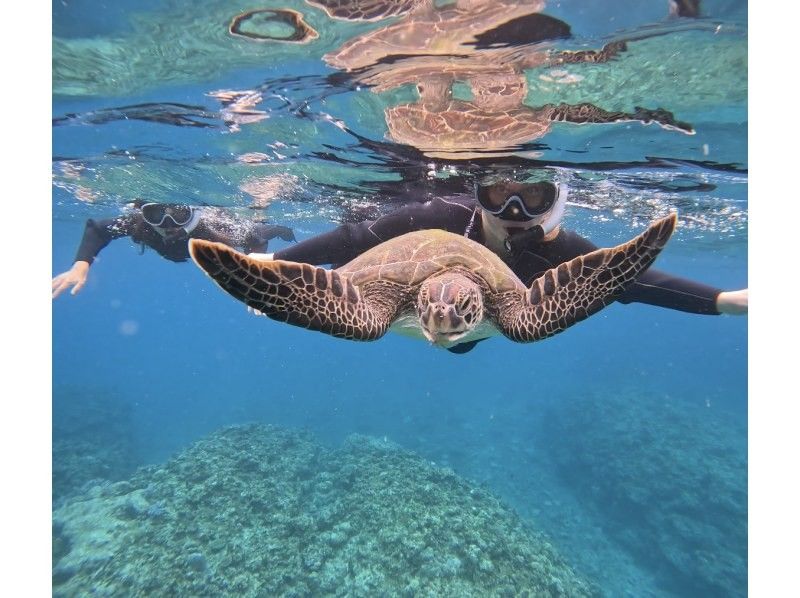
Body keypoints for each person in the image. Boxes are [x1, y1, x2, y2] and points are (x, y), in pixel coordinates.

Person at [247, 171, 747, 353]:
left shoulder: (559, 247)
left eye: (533, 196)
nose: (513, 210)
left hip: (482, 318)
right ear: (478, 195)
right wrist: (272, 270)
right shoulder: (443, 214)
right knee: (471, 336)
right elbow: (350, 240)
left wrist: (725, 300)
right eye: (498, 193)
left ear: (556, 200)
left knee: (469, 342)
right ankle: (458, 332)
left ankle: (463, 336)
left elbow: (632, 282)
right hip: (412, 299)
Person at [52, 201, 295, 298]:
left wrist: (255, 276)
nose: (168, 224)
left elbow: (255, 240)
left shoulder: (214, 225)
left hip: (232, 232)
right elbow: (98, 228)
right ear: (146, 214)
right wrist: (80, 265)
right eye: (156, 214)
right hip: (181, 249)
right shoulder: (139, 225)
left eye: (179, 213)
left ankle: (267, 214)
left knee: (261, 229)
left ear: (191, 214)